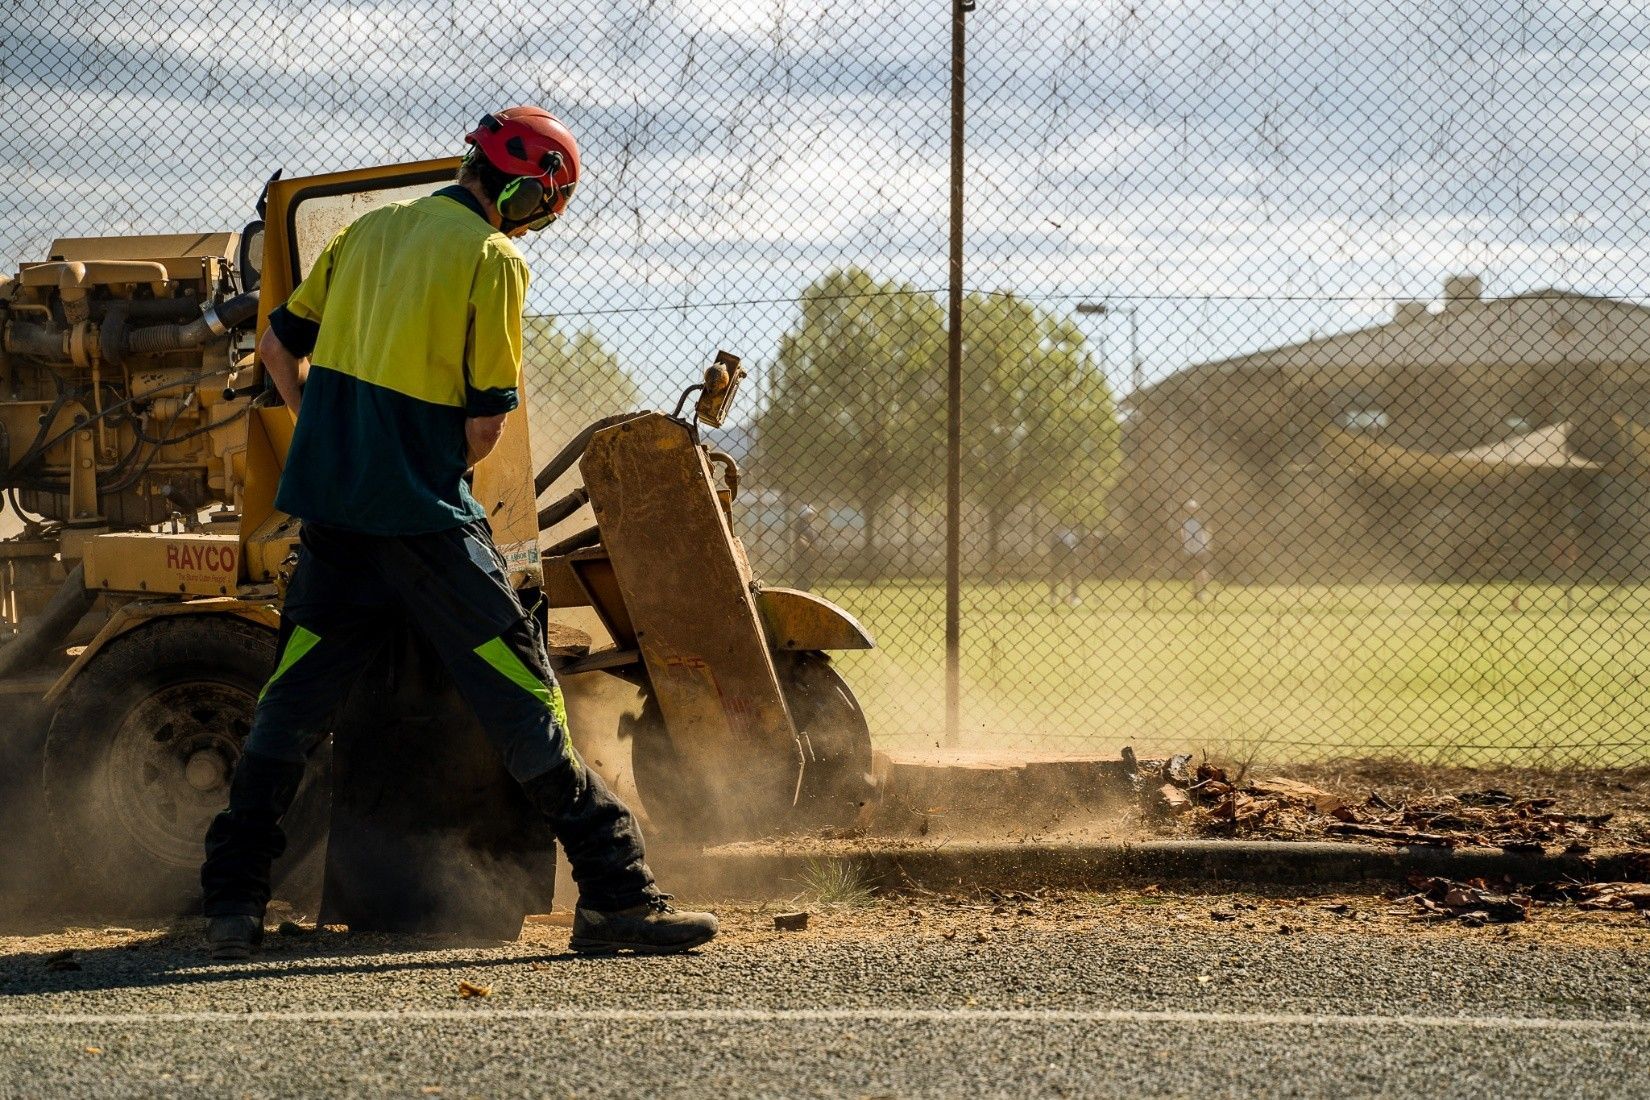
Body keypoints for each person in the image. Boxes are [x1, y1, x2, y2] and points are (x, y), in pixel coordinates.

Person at [199, 107, 716, 960]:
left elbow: (277, 343)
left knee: (289, 708)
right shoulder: (493, 258)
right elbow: (483, 430)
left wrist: (323, 426)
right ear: (525, 189)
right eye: (550, 200)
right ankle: (618, 895)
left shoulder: (366, 237)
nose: (545, 216)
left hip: (332, 520)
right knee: (523, 693)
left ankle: (231, 903)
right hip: (425, 525)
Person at [1179, 500, 1214, 603]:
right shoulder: (1185, 521)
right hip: (1189, 549)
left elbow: (1208, 532)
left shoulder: (1201, 521)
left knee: (1200, 570)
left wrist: (1208, 544)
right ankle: (1196, 591)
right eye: (1190, 508)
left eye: (1193, 508)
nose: (1191, 510)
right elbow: (1183, 534)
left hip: (1200, 548)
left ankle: (1202, 590)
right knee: (1193, 570)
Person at [1047, 526, 1083, 607]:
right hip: (1058, 549)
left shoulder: (1072, 533)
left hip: (1070, 551)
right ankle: (1053, 596)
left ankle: (1074, 596)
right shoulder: (1056, 533)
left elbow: (1075, 547)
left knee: (1074, 573)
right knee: (1054, 574)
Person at [791, 504, 822, 589]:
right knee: (802, 578)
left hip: (810, 556)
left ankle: (806, 591)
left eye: (811, 515)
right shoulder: (800, 525)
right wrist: (810, 548)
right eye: (808, 515)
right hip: (802, 555)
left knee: (809, 578)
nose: (810, 517)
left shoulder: (811, 525)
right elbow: (800, 539)